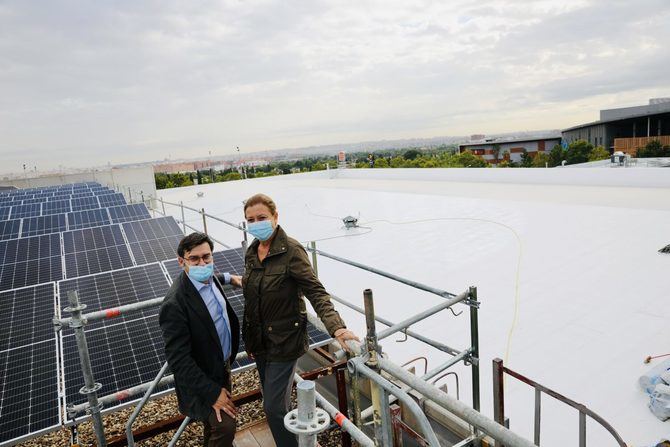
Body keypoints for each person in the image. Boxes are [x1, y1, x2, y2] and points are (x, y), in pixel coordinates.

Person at [241, 193, 360, 447]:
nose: (256, 223)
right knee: (275, 402)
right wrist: (249, 340)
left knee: (272, 406)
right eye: (250, 219)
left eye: (262, 217)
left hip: (285, 341)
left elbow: (315, 291)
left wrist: (336, 327)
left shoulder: (292, 251)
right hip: (260, 343)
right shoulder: (252, 252)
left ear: (275, 217)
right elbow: (254, 295)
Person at [159, 232, 242, 447]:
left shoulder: (210, 278)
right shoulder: (175, 303)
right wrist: (213, 393)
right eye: (194, 259)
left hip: (221, 367)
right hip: (201, 377)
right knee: (225, 426)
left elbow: (217, 277)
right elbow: (178, 359)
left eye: (207, 257)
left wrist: (231, 278)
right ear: (181, 261)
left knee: (214, 426)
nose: (202, 263)